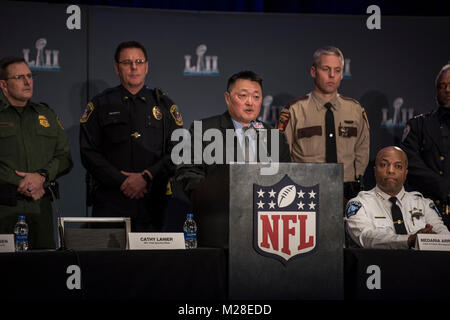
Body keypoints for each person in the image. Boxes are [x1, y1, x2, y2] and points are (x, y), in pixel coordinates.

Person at [79, 41, 183, 231]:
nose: (134, 67)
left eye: (139, 61)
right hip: (111, 200)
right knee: (108, 260)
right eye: (127, 62)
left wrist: (146, 176)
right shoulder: (100, 104)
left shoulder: (165, 105)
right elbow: (88, 152)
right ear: (116, 68)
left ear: (146, 66)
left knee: (153, 261)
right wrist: (122, 180)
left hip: (154, 201)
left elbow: (178, 151)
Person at [176, 70, 291, 198]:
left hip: (263, 212)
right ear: (227, 98)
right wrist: (217, 193)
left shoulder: (275, 137)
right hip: (219, 212)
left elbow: (287, 177)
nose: (250, 102)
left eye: (256, 97)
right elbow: (188, 174)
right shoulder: (203, 130)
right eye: (243, 95)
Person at [277, 46, 370, 201]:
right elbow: (282, 155)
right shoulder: (294, 110)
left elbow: (362, 150)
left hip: (348, 191)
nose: (332, 75)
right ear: (314, 71)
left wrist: (355, 178)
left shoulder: (355, 110)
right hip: (305, 189)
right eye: (326, 69)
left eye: (338, 70)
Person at [0, 56, 73, 249]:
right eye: (19, 77)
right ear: (3, 84)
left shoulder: (45, 114)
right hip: (4, 208)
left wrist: (41, 176)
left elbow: (64, 157)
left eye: (30, 76)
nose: (27, 82)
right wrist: (22, 183)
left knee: (42, 271)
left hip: (40, 209)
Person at [345, 146, 449, 249]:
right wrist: (409, 240)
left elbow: (444, 236)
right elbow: (365, 237)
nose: (390, 170)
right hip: (379, 263)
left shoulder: (423, 204)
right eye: (384, 164)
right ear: (375, 171)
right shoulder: (360, 204)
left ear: (405, 173)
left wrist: (430, 238)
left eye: (398, 166)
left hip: (422, 264)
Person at [401, 64, 450, 228]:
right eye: (442, 86)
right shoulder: (418, 125)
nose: (447, 90)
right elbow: (411, 163)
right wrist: (443, 187)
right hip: (426, 208)